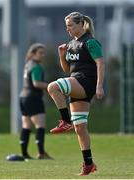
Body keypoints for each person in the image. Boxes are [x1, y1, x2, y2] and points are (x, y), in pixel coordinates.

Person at [47, 12, 105, 175]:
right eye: (66, 26)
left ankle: (65, 121)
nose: (68, 29)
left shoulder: (90, 42)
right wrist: (61, 55)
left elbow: (100, 64)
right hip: (76, 81)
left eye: (71, 25)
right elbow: (67, 69)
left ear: (81, 24)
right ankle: (88, 164)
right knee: (80, 127)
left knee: (53, 87)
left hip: (86, 81)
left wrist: (99, 86)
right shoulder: (71, 43)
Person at [19, 43, 53, 160]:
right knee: (40, 126)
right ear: (33, 53)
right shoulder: (36, 67)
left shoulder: (28, 65)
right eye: (40, 53)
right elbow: (36, 83)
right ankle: (41, 153)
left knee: (26, 126)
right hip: (33, 98)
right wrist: (51, 86)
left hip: (23, 97)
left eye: (43, 53)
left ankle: (24, 154)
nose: (43, 55)